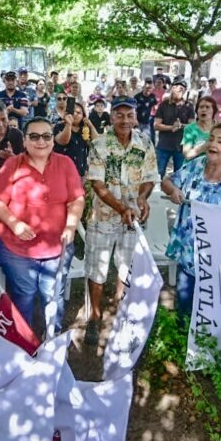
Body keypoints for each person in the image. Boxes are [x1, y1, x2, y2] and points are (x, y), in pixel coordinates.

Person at [0, 117, 85, 335]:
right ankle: (25, 341)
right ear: (24, 140)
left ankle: (52, 338)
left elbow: (77, 200)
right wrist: (14, 224)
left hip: (57, 246)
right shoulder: (12, 165)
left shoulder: (65, 163)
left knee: (53, 294)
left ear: (53, 140)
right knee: (24, 293)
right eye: (34, 136)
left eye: (46, 136)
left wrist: (71, 226)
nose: (40, 141)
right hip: (16, 247)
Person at [84, 98, 159, 344]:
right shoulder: (99, 145)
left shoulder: (145, 143)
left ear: (135, 117)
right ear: (112, 117)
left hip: (133, 219)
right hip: (104, 218)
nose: (125, 120)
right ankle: (94, 318)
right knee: (97, 270)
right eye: (119, 115)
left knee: (127, 268)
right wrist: (121, 208)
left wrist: (142, 198)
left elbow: (150, 177)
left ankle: (121, 316)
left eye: (129, 115)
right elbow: (97, 184)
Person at [163, 123, 221, 316]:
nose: (213, 144)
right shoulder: (197, 164)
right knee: (185, 305)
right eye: (211, 138)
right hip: (188, 250)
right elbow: (167, 181)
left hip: (218, 256)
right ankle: (181, 341)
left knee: (211, 312)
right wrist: (173, 190)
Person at [153, 80, 195, 179]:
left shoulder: (189, 106)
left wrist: (181, 126)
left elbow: (192, 126)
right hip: (164, 145)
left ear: (184, 91)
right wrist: (171, 127)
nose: (178, 90)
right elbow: (156, 125)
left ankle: (175, 193)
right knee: (158, 173)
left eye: (181, 89)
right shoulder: (164, 105)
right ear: (172, 88)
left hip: (181, 146)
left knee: (179, 174)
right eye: (176, 87)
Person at [54, 99, 95, 177]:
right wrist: (68, 124)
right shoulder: (59, 126)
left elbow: (98, 143)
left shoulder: (85, 130)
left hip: (80, 173)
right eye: (72, 112)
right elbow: (62, 141)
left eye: (79, 113)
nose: (75, 114)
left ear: (83, 116)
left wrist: (91, 126)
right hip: (61, 173)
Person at [0, 100, 24, 171]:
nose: (0, 124)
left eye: (3, 119)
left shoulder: (17, 135)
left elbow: (25, 165)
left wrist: (12, 158)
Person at [181, 96, 218, 161]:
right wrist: (204, 146)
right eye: (201, 107)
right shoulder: (190, 129)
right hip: (192, 168)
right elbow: (187, 155)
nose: (204, 110)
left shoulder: (220, 128)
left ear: (214, 111)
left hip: (212, 168)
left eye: (207, 107)